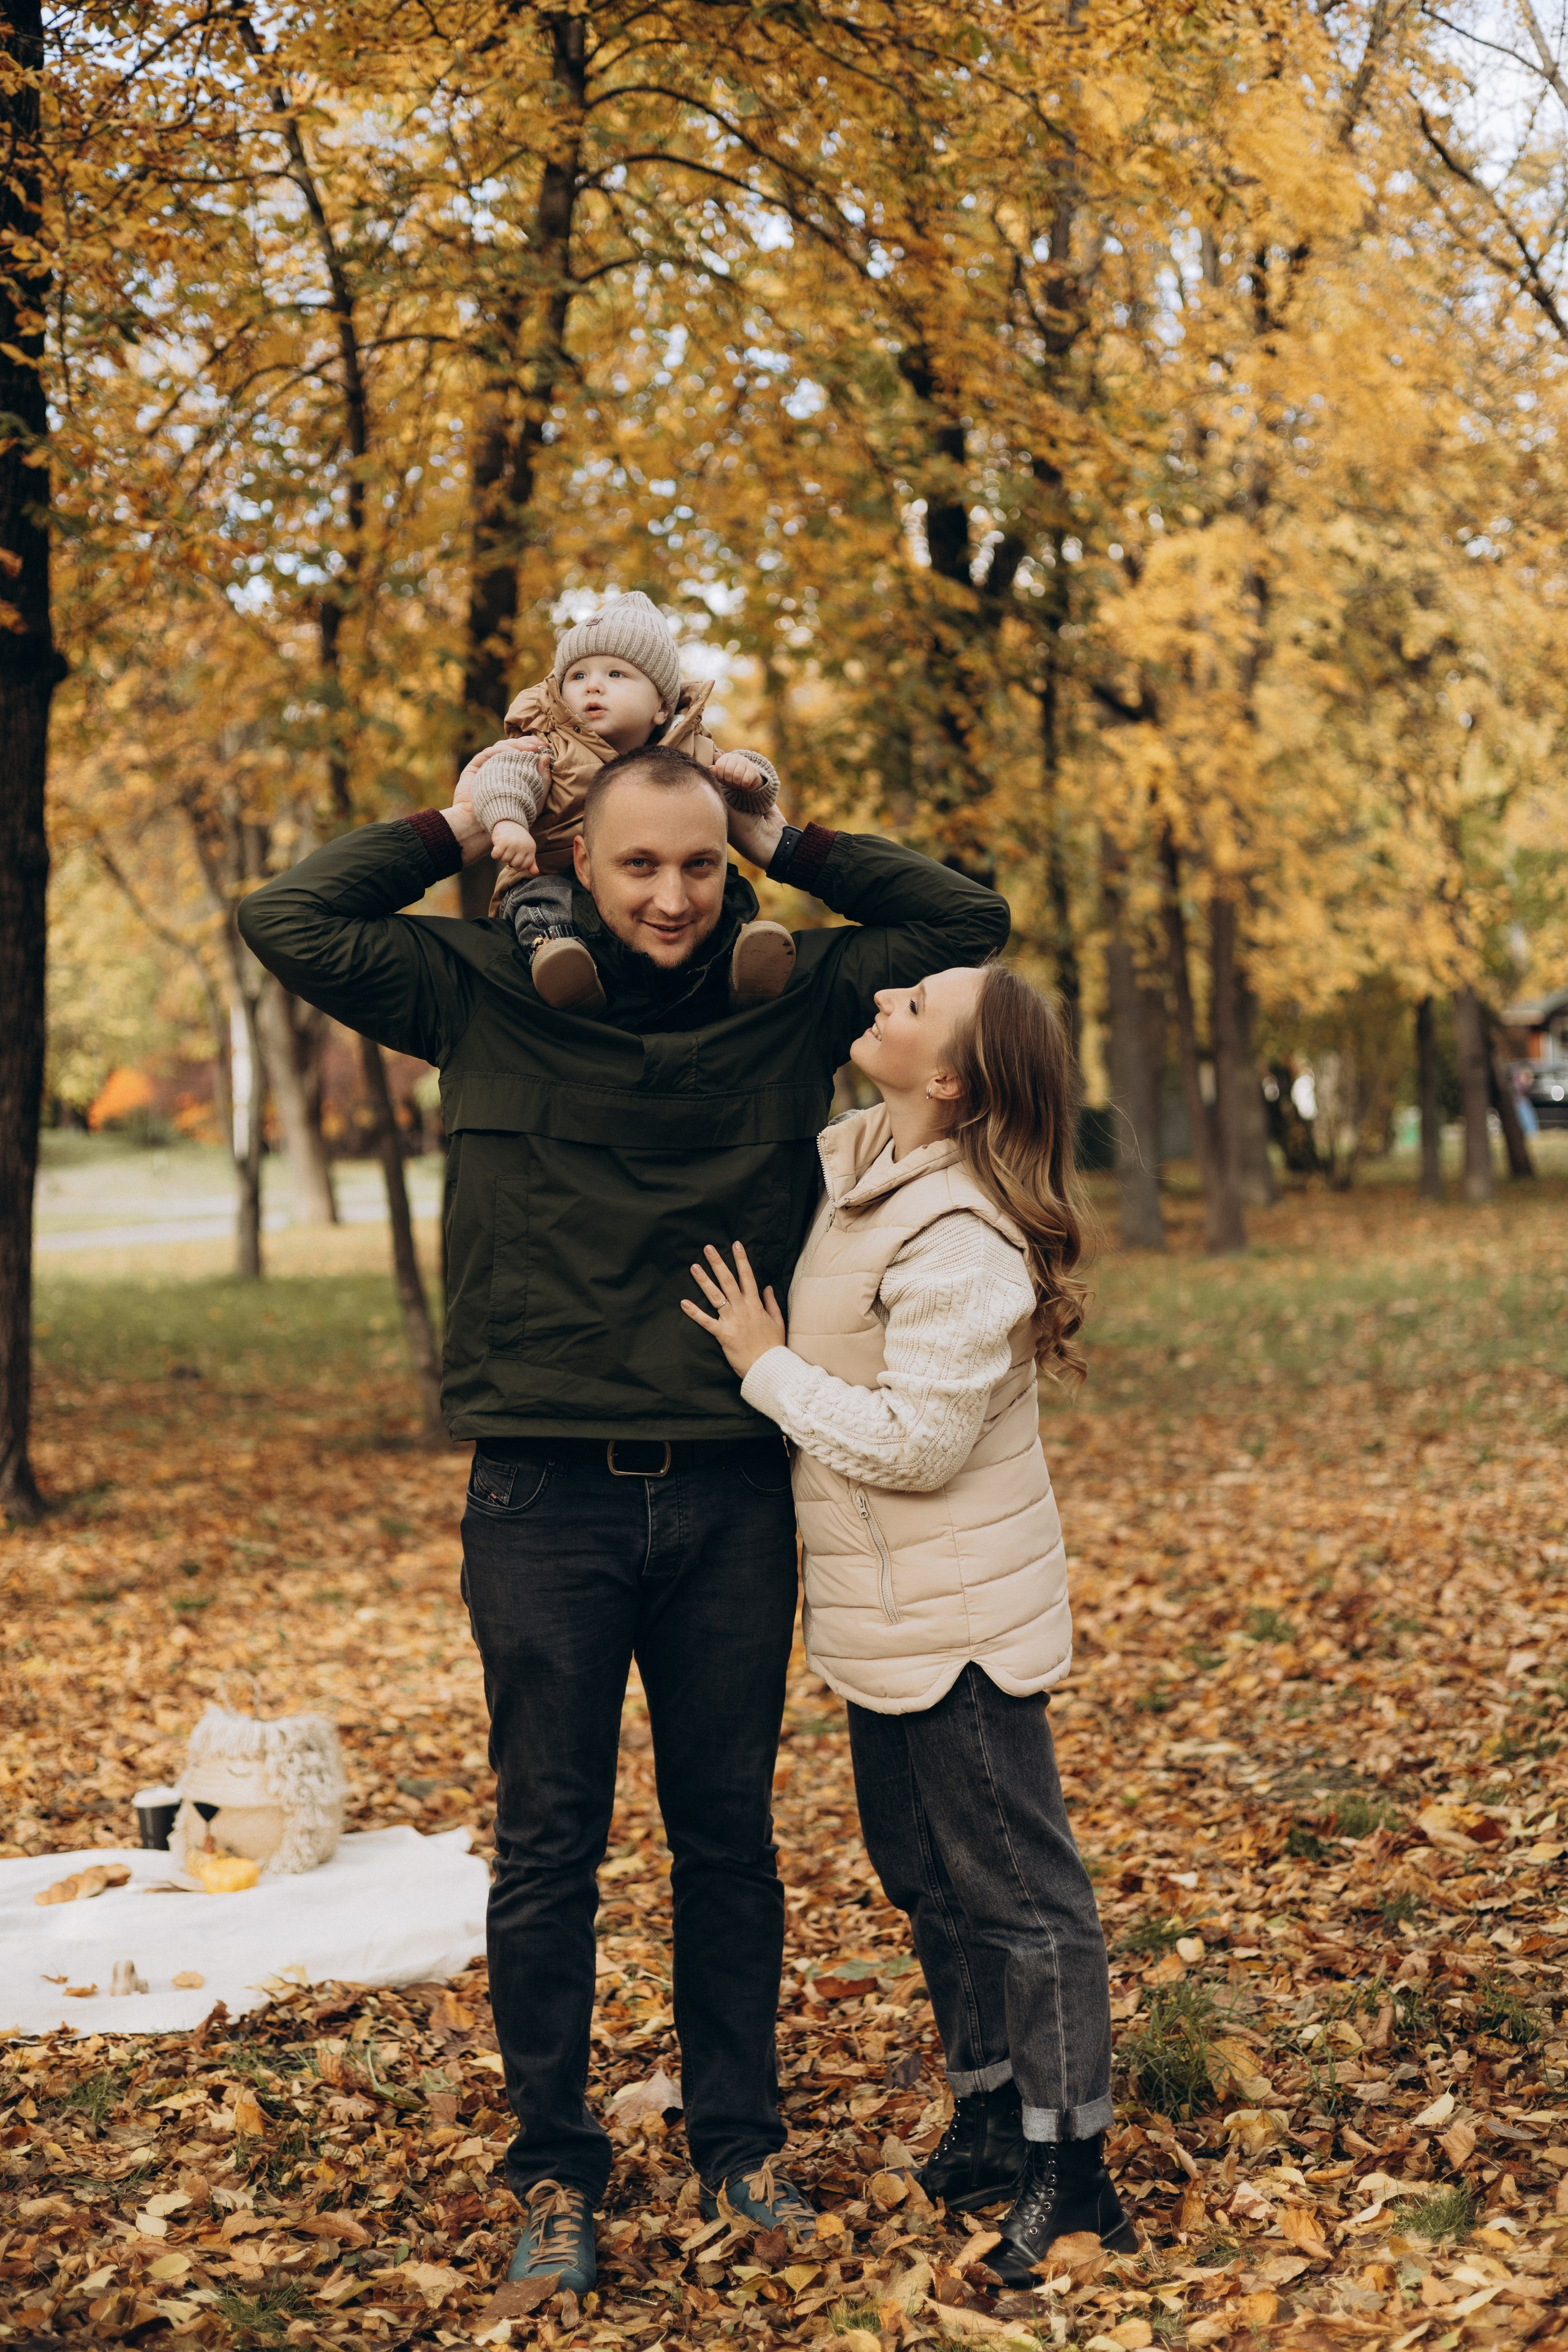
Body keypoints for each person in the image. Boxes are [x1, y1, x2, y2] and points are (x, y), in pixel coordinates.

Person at [237, 746, 1009, 2294]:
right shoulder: (478, 985)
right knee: (548, 1847)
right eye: (639, 863)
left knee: (728, 1841)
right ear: (575, 863)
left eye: (702, 864)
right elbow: (289, 917)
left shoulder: (793, 991)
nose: (671, 896)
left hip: (731, 1490)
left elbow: (963, 920)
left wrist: (781, 830)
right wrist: (470, 815)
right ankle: (553, 2168)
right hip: (542, 1496)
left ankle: (738, 2146)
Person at [682, 962, 1134, 2281]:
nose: (884, 992)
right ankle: (992, 2118)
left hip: (961, 1622)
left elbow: (919, 1446)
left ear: (950, 1078)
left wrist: (763, 1367)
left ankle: (1073, 2173)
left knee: (1021, 1899)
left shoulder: (960, 1241)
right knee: (926, 1878)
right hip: (884, 1615)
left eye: (918, 1001)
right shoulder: (863, 1161)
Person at [463, 589, 794, 1011]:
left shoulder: (692, 749)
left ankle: (742, 964)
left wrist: (750, 777)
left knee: (724, 888)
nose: (593, 685)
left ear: (662, 706)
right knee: (541, 903)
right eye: (577, 677)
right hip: (552, 869)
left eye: (616, 674)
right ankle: (561, 965)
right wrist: (508, 823)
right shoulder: (550, 746)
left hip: (655, 880)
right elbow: (505, 775)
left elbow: (752, 801)